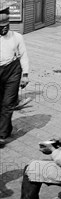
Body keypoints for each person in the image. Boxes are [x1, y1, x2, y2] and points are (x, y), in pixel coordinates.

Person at [0, 13, 30, 148]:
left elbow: (23, 55)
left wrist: (25, 74)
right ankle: (7, 127)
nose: (4, 29)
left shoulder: (17, 37)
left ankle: (2, 135)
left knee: (8, 103)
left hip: (13, 70)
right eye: (1, 27)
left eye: (6, 26)